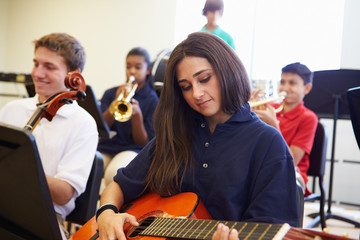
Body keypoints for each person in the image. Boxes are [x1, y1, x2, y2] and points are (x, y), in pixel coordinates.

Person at [96, 32, 299, 240]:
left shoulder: (268, 142)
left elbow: (273, 229)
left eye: (204, 79)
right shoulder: (177, 132)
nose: (196, 94)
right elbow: (119, 185)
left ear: (227, 71)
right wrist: (106, 213)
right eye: (185, 87)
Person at [0, 33, 98, 237]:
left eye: (49, 67)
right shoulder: (12, 109)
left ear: (74, 75)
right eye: (36, 63)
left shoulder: (83, 124)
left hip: (43, 220)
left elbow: (63, 194)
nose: (37, 73)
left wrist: (20, 167)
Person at [252, 62, 318, 196]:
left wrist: (273, 126)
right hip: (263, 168)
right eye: (282, 82)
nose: (285, 88)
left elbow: (291, 161)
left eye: (292, 83)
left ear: (307, 88)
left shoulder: (309, 118)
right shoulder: (268, 108)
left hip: (290, 174)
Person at [97, 47, 158, 186]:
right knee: (91, 165)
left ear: (147, 70)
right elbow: (101, 128)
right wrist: (115, 103)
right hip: (109, 146)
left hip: (133, 149)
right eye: (128, 66)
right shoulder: (111, 93)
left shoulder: (152, 99)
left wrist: (137, 116)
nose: (132, 71)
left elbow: (143, 142)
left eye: (138, 67)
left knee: (113, 173)